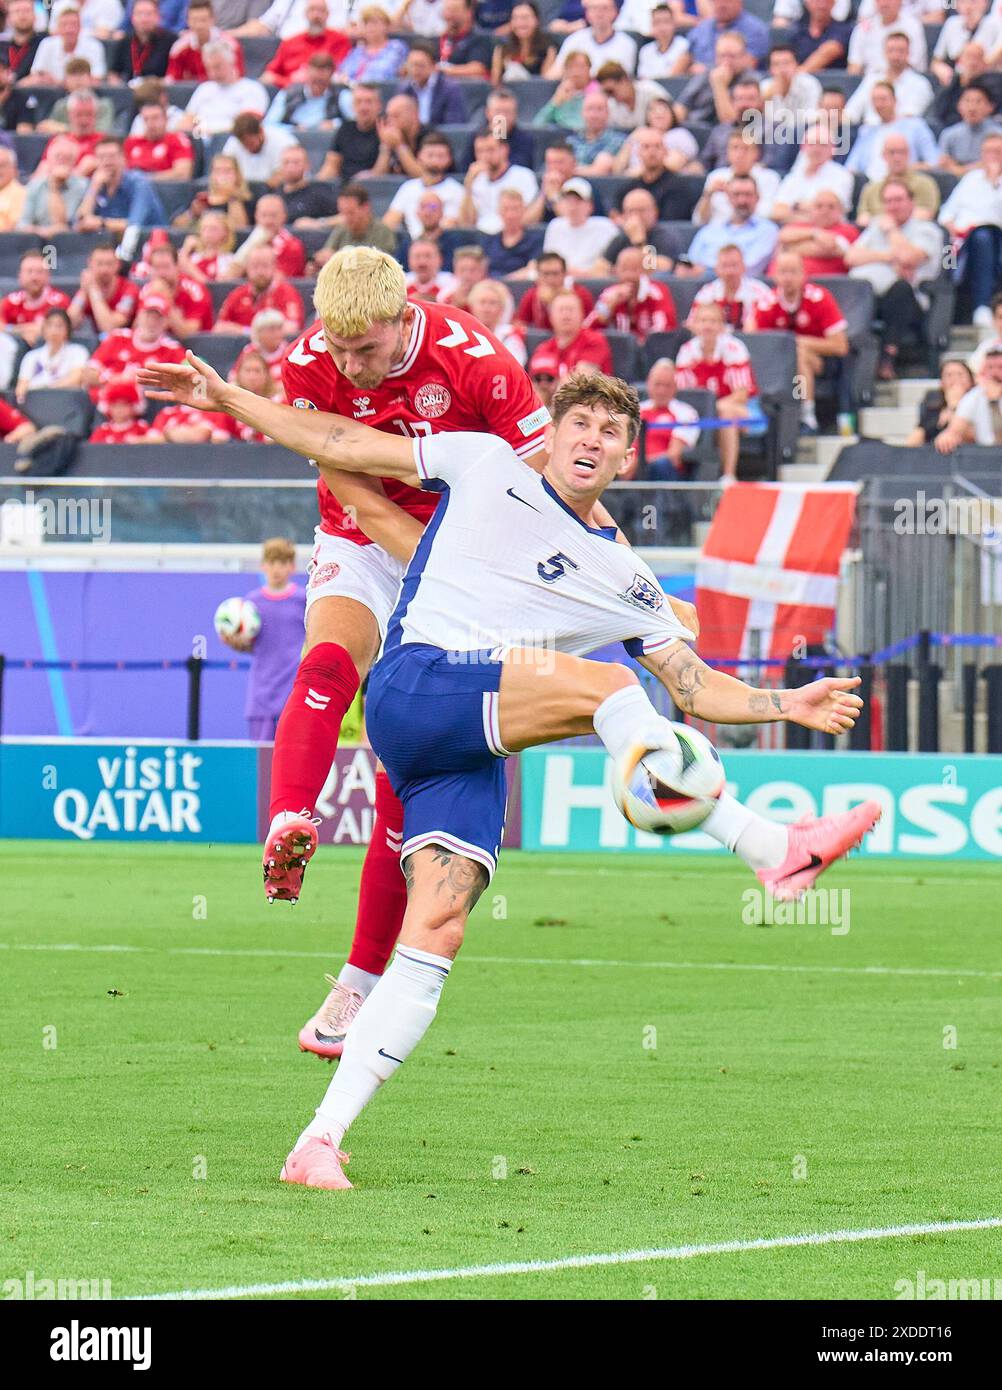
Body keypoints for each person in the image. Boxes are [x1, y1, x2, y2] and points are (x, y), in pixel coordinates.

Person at [136, 354, 876, 1189]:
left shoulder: (627, 580)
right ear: (551, 437)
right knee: (612, 685)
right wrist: (230, 397)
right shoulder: (483, 461)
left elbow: (698, 686)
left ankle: (317, 1142)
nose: (592, 440)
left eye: (611, 433)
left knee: (435, 940)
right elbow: (340, 438)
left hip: (472, 747)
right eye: (579, 425)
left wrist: (789, 704)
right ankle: (769, 847)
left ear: (628, 459)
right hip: (417, 685)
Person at [845, 177, 944, 377]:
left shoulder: (927, 230)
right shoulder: (875, 228)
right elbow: (850, 257)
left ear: (911, 202)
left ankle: (888, 358)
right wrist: (888, 257)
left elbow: (908, 258)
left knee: (901, 289)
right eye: (888, 201)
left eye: (898, 200)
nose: (892, 206)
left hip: (911, 300)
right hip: (871, 296)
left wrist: (891, 232)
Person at [746, 249, 849, 434]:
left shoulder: (820, 298)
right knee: (790, 355)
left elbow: (840, 346)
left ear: (803, 274)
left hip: (822, 361)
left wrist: (797, 343)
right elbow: (754, 342)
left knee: (797, 356)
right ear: (774, 275)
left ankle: (805, 415)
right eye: (783, 272)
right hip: (777, 364)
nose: (788, 278)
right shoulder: (766, 303)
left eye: (793, 272)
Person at [217, 538, 309, 742]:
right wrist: (236, 643)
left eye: (283, 563)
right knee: (263, 763)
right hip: (262, 697)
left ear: (292, 567)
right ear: (263, 566)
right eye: (272, 562)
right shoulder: (250, 604)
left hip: (294, 693)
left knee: (292, 759)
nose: (276, 569)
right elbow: (251, 646)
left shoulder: (304, 600)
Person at [674, 300, 765, 477]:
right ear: (695, 325)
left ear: (722, 326)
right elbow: (685, 395)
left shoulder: (734, 348)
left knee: (725, 412)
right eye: (703, 321)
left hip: (746, 410)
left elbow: (742, 395)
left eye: (713, 321)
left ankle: (729, 475)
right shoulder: (687, 351)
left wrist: (713, 409)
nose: (707, 326)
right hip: (704, 412)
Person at [938, 132, 1002, 330]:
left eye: (997, 152)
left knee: (983, 236)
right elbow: (946, 212)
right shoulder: (970, 179)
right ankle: (946, 314)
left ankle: (982, 306)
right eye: (988, 152)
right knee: (946, 248)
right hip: (960, 240)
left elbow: (994, 215)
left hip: (994, 237)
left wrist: (994, 183)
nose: (992, 156)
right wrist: (951, 226)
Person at [82, 293, 186, 397]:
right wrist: (119, 379)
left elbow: (189, 379)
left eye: (158, 318)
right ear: (139, 315)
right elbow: (89, 374)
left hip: (146, 407)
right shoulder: (117, 337)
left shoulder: (172, 349)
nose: (152, 322)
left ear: (166, 322)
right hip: (104, 402)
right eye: (148, 316)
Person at [684, 175, 778, 276]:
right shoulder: (709, 230)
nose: (742, 201)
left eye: (748, 194)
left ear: (757, 198)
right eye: (736, 194)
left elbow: (748, 269)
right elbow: (690, 264)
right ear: (728, 197)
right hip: (702, 288)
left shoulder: (767, 230)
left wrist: (704, 271)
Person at [74, 137, 167, 235]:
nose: (106, 161)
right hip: (109, 244)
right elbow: (79, 223)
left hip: (148, 242)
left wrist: (101, 223)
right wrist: (94, 187)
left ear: (123, 158)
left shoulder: (139, 184)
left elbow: (134, 225)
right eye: (101, 157)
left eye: (112, 156)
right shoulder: (96, 183)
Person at [382, 131, 465, 237]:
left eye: (440, 156)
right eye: (430, 155)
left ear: (449, 159)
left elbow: (448, 224)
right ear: (419, 156)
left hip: (439, 244)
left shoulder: (456, 191)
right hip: (409, 244)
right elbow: (390, 222)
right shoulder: (408, 188)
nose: (435, 160)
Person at [586, 246, 677, 341]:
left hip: (651, 349)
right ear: (615, 271)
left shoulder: (656, 292)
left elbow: (664, 329)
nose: (630, 276)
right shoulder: (610, 294)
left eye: (635, 269)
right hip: (621, 350)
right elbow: (587, 328)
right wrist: (609, 306)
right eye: (625, 269)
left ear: (647, 271)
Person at [180, 43, 268, 136]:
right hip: (200, 140)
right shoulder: (204, 89)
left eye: (217, 67)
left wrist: (211, 132)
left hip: (232, 140)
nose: (213, 73)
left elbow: (246, 126)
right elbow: (187, 121)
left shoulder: (251, 89)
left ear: (232, 62)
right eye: (208, 68)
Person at [634, 356, 700, 479]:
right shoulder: (636, 410)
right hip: (630, 469)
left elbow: (674, 456)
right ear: (648, 384)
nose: (661, 391)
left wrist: (638, 464)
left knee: (662, 464)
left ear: (675, 387)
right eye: (657, 385)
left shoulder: (686, 413)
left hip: (662, 472)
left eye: (667, 386)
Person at [459, 131, 538, 234]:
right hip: (480, 238)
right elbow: (467, 223)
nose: (485, 156)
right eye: (480, 151)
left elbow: (528, 219)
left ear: (504, 149)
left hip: (511, 236)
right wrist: (468, 187)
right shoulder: (476, 180)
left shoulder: (523, 176)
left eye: (490, 150)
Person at [215, 245, 305, 336]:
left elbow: (292, 328)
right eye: (255, 266)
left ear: (274, 266)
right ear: (247, 268)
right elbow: (219, 327)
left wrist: (243, 331)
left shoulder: (287, 292)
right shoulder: (237, 294)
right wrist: (249, 332)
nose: (260, 271)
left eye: (265, 266)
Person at [855, 130, 940, 225]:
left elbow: (926, 214)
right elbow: (862, 220)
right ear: (883, 155)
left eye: (901, 152)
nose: (897, 157)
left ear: (909, 154)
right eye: (892, 152)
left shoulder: (925, 184)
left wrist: (882, 221)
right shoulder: (870, 189)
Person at [769, 191, 860, 275]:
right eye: (819, 206)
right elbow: (783, 235)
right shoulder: (800, 225)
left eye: (831, 207)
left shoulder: (849, 230)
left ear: (841, 211)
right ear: (811, 210)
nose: (825, 211)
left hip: (826, 284)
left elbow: (825, 249)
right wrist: (815, 234)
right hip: (779, 284)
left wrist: (787, 247)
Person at [263, 0, 351, 86]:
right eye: (312, 10)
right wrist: (289, 82)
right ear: (305, 14)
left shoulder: (340, 41)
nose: (316, 15)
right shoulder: (289, 43)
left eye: (321, 11)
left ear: (328, 14)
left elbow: (342, 74)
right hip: (290, 95)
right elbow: (268, 75)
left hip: (327, 95)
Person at [541, 178, 617, 275]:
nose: (573, 207)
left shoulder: (606, 227)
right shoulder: (555, 226)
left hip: (592, 284)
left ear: (590, 205)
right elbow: (549, 262)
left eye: (578, 201)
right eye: (568, 201)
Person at [934, 347, 1002, 450]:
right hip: (987, 457)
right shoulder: (974, 396)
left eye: (1000, 367)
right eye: (990, 368)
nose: (995, 373)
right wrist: (948, 436)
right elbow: (956, 429)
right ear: (983, 371)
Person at [17, 137, 89, 234]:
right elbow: (22, 224)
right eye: (58, 157)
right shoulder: (35, 185)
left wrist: (54, 187)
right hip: (38, 242)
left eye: (67, 158)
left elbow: (66, 223)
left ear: (74, 162)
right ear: (48, 159)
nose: (62, 161)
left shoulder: (83, 186)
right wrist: (43, 231)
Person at [142, 242, 215, 337]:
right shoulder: (148, 290)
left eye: (166, 267)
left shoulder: (195, 291)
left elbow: (188, 334)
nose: (161, 273)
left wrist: (164, 300)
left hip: (193, 347)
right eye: (156, 268)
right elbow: (139, 329)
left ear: (177, 267)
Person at [0, 250, 72, 347]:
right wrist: (22, 333)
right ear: (20, 276)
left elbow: (57, 328)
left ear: (48, 276)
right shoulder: (11, 301)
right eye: (29, 272)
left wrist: (13, 329)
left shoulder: (59, 301)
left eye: (39, 272)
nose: (34, 277)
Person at [536, 287, 614, 375]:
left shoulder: (594, 341)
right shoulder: (544, 348)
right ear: (550, 317)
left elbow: (581, 381)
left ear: (582, 314)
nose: (566, 315)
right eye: (560, 310)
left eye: (571, 309)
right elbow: (537, 383)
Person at [14, 308, 88, 400]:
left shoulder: (78, 351)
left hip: (66, 402)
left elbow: (75, 379)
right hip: (37, 403)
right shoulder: (31, 356)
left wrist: (47, 390)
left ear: (67, 329)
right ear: (43, 328)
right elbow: (21, 388)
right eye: (49, 325)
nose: (54, 330)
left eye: (59, 326)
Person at [513, 250, 595, 331]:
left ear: (564, 274)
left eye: (555, 273)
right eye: (545, 274)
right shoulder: (532, 295)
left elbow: (591, 325)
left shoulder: (581, 294)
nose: (550, 279)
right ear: (538, 276)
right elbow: (520, 324)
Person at [317, 182, 398, 263]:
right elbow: (327, 252)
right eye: (342, 213)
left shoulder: (382, 231)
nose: (346, 218)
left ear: (365, 207)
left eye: (351, 213)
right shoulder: (342, 227)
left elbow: (381, 263)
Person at [317, 81, 382, 183]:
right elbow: (331, 164)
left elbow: (383, 172)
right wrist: (316, 185)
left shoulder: (385, 131)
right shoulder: (345, 129)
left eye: (369, 102)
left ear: (379, 105)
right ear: (353, 106)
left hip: (373, 187)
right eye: (358, 102)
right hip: (344, 187)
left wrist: (371, 176)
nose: (363, 107)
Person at [692, 243, 768, 329]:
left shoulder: (760, 292)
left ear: (743, 267)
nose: (729, 272)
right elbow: (692, 324)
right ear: (716, 269)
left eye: (734, 265)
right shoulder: (706, 293)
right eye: (724, 266)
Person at [171, 153, 251, 233]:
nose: (222, 175)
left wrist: (232, 196)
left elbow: (240, 230)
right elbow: (176, 226)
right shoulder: (200, 196)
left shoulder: (246, 199)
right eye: (217, 170)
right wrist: (192, 213)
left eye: (227, 171)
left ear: (237, 175)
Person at [68, 242, 138, 334]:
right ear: (90, 264)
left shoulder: (129, 289)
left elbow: (109, 328)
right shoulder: (87, 287)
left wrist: (93, 290)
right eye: (99, 264)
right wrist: (84, 291)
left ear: (118, 265)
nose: (104, 269)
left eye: (109, 264)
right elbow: (70, 323)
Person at [904, 358, 975, 446]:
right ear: (942, 382)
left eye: (960, 374)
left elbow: (972, 436)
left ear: (971, 380)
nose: (955, 379)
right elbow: (923, 429)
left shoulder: (978, 399)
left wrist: (954, 407)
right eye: (949, 375)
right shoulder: (933, 399)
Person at [554, 0, 638, 74]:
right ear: (587, 13)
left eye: (605, 8)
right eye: (594, 8)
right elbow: (556, 72)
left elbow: (621, 78)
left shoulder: (627, 44)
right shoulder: (574, 39)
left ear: (616, 12)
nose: (599, 13)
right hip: (576, 90)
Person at [167, 0, 244, 81]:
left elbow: (238, 77)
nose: (199, 25)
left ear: (213, 20)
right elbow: (173, 80)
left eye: (203, 20)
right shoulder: (179, 48)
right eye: (194, 20)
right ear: (188, 21)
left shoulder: (230, 45)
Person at [28, 6, 107, 83]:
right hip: (51, 95)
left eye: (73, 24)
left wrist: (59, 82)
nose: (69, 30)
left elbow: (97, 79)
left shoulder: (94, 46)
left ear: (80, 27)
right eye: (64, 25)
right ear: (58, 28)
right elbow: (36, 75)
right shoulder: (46, 44)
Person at [399, 37, 469, 125]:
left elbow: (454, 124)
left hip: (438, 137)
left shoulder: (450, 89)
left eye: (420, 65)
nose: (415, 70)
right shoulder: (405, 89)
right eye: (411, 65)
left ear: (433, 66)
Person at [123, 101, 195, 180]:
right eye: (146, 119)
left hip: (164, 190)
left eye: (155, 118)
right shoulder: (132, 142)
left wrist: (145, 179)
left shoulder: (176, 140)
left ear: (166, 119)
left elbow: (183, 174)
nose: (150, 124)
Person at [107, 0, 176, 82]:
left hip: (159, 90)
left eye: (149, 14)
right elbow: (113, 72)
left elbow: (173, 76)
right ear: (132, 18)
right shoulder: (125, 41)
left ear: (158, 17)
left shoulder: (171, 40)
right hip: (128, 91)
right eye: (139, 14)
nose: (144, 19)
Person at [481, 188, 544, 276]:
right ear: (499, 211)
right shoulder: (489, 240)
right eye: (506, 209)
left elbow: (533, 268)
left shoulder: (535, 240)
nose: (510, 215)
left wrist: (505, 281)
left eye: (515, 209)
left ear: (523, 210)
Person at [492, 1, 558, 81]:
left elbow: (545, 84)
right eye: (515, 18)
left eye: (525, 18)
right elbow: (495, 83)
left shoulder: (549, 49)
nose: (520, 23)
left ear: (536, 20)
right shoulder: (502, 49)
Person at [466, 278, 525, 364]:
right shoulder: (463, 333)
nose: (486, 308)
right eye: (482, 302)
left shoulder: (510, 335)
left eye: (492, 303)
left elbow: (515, 367)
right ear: (472, 306)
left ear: (502, 308)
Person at [532, 48, 592, 130]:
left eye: (581, 67)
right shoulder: (559, 96)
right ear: (565, 70)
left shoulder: (598, 94)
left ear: (589, 70)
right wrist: (555, 101)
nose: (576, 71)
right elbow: (537, 126)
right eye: (571, 67)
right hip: (562, 140)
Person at [179, 210, 238, 282]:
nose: (207, 233)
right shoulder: (193, 257)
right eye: (204, 229)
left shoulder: (229, 260)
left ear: (226, 232)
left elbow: (213, 286)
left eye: (213, 229)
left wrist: (185, 261)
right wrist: (186, 249)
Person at [89, 380, 157, 441]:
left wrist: (140, 440)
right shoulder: (102, 431)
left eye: (124, 405)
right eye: (115, 406)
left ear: (133, 406)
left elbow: (157, 441)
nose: (119, 409)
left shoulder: (141, 428)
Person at [637, 5, 691, 78]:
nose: (662, 28)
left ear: (674, 24)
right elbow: (642, 79)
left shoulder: (685, 46)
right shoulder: (645, 50)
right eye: (657, 22)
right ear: (652, 25)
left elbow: (672, 78)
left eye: (666, 21)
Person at [405, 236, 458, 300]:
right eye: (417, 256)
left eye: (428, 256)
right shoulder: (401, 284)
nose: (422, 262)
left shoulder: (453, 284)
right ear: (409, 260)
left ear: (440, 259)